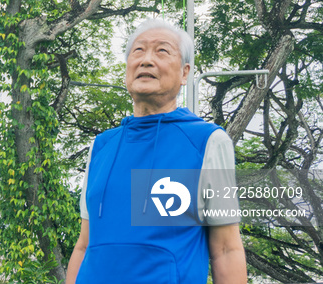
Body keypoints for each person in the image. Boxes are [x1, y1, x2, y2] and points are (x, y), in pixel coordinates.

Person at [65, 18, 247, 284]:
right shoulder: (101, 146)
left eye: (162, 51)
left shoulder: (208, 141)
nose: (146, 60)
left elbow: (226, 249)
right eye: (138, 51)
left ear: (185, 73)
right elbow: (83, 245)